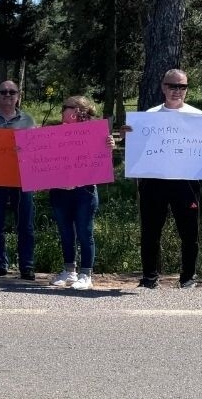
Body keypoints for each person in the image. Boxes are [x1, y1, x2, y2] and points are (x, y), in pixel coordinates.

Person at [124, 69, 202, 289]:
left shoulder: (198, 116)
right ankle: (149, 278)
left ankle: (188, 277)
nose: (177, 91)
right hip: (154, 181)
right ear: (163, 87)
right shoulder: (149, 115)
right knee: (150, 231)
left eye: (182, 87)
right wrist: (129, 134)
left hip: (186, 181)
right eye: (172, 86)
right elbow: (139, 145)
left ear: (187, 89)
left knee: (189, 231)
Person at [47, 96, 115, 291]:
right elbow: (41, 159)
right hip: (59, 190)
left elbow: (101, 160)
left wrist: (109, 145)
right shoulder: (52, 132)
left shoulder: (95, 133)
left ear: (76, 111)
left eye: (65, 107)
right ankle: (69, 271)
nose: (61, 111)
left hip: (85, 191)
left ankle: (86, 273)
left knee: (85, 232)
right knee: (66, 233)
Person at [0, 80, 38, 280]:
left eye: (12, 92)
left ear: (18, 96)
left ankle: (27, 266)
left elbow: (38, 149)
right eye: (3, 92)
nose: (8, 95)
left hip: (22, 179)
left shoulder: (28, 121)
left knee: (25, 224)